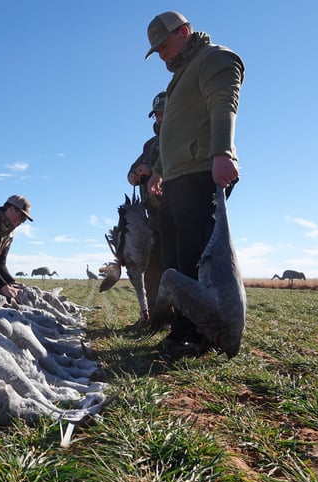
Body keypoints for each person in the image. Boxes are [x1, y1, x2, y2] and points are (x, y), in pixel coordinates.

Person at [144, 11, 244, 351]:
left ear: (184, 32)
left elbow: (224, 102)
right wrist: (158, 169)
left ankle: (202, 336)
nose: (161, 54)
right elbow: (173, 129)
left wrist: (222, 153)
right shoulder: (179, 77)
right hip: (175, 177)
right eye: (156, 50)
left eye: (163, 45)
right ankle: (181, 327)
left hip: (201, 171)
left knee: (195, 257)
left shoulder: (213, 58)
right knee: (174, 256)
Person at [126, 91, 165, 316]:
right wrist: (134, 174)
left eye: (163, 114)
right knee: (152, 267)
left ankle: (180, 321)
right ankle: (156, 318)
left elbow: (185, 170)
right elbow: (133, 168)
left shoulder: (181, 136)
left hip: (176, 210)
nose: (159, 120)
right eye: (156, 116)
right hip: (153, 215)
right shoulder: (150, 145)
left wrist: (153, 171)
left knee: (175, 265)